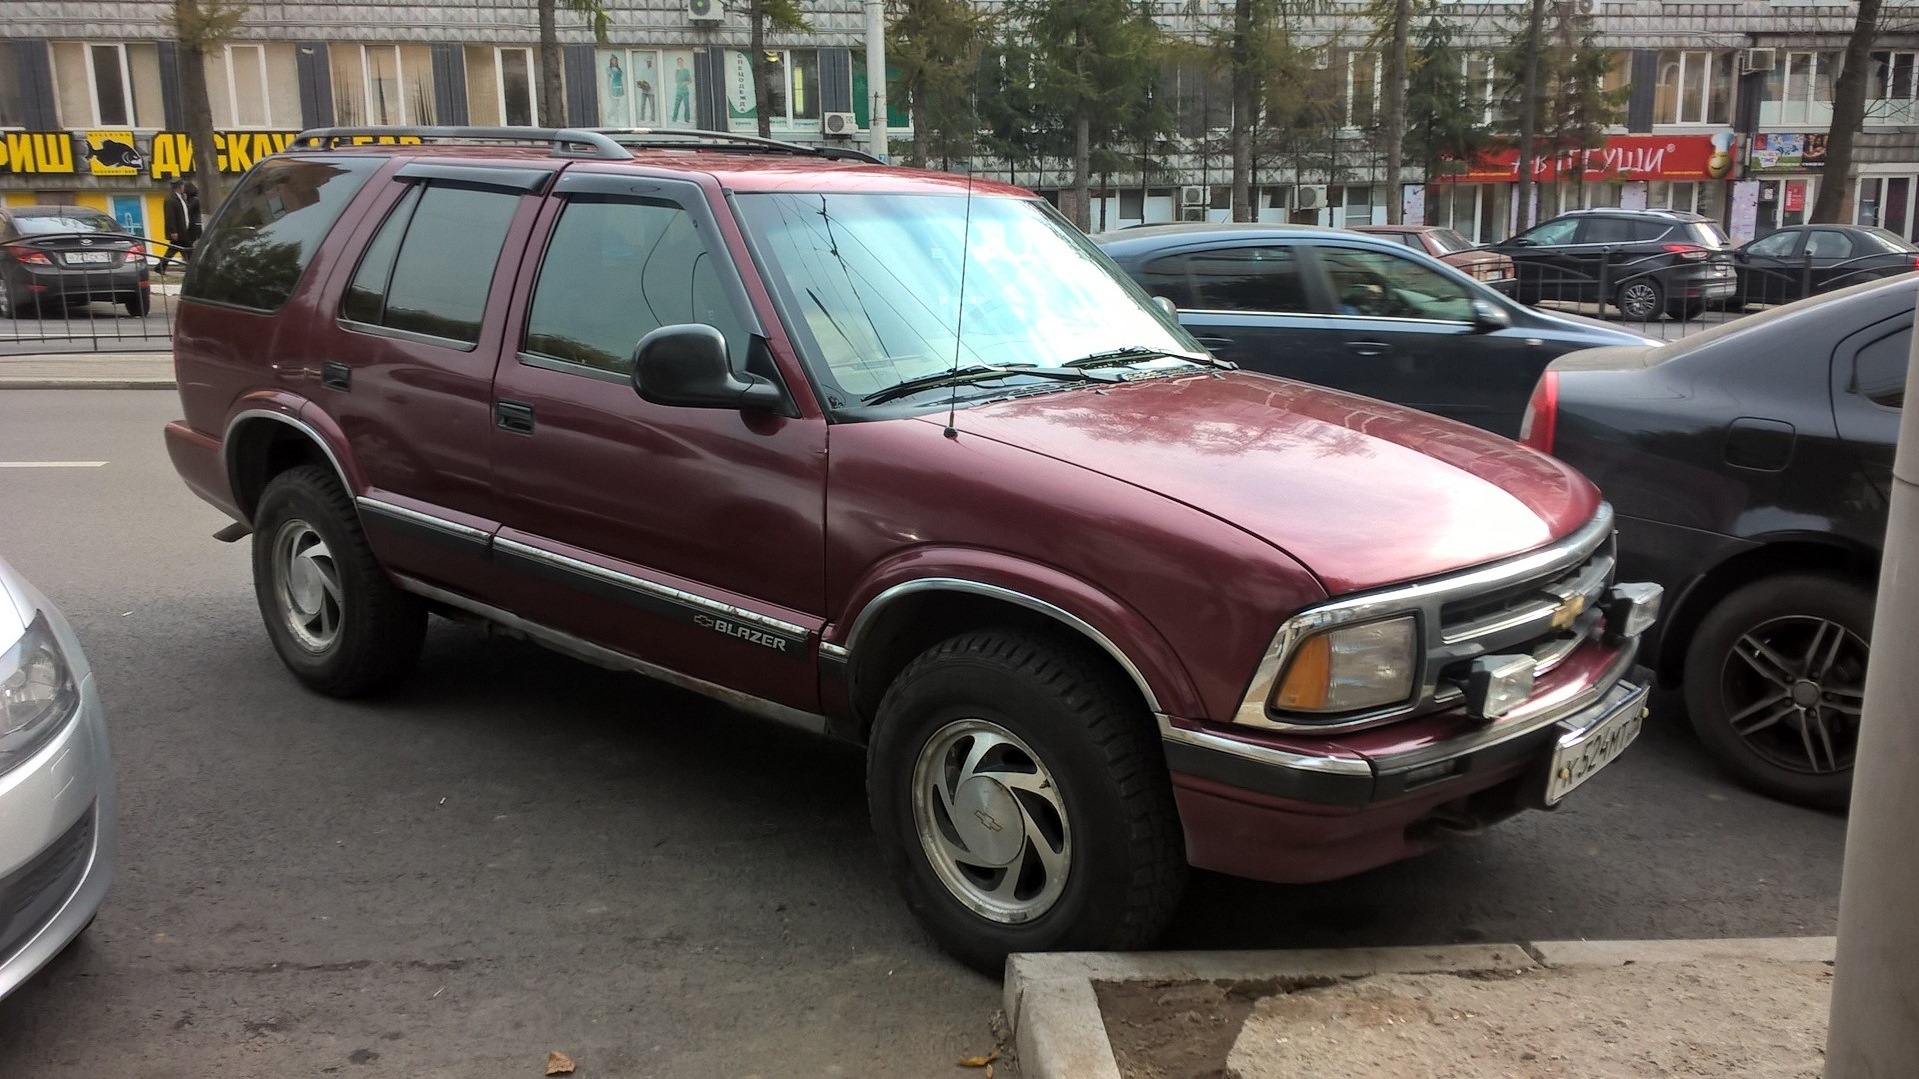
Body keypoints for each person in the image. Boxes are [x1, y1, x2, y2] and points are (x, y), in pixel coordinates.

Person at [162, 178, 192, 268]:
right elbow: (170, 216)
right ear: (179, 187)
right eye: (182, 185)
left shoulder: (180, 197)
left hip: (183, 229)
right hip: (178, 231)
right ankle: (191, 267)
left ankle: (160, 266)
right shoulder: (170, 199)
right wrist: (173, 231)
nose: (184, 187)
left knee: (174, 250)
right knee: (188, 250)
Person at [183, 181, 203, 257]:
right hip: (193, 225)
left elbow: (188, 210)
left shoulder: (195, 200)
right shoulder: (193, 200)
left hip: (195, 226)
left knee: (192, 244)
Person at [671, 56, 693, 124]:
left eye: (680, 62)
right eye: (678, 62)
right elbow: (675, 80)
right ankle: (674, 118)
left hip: (685, 91)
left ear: (682, 62)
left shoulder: (686, 70)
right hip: (678, 90)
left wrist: (685, 83)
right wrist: (676, 73)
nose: (679, 63)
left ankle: (687, 119)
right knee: (676, 105)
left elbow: (690, 80)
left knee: (686, 105)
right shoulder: (677, 71)